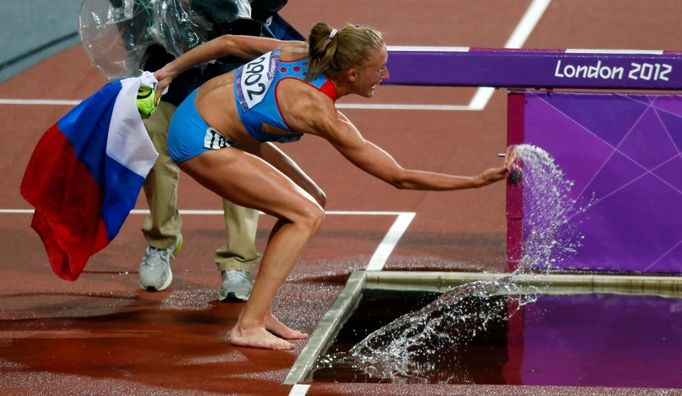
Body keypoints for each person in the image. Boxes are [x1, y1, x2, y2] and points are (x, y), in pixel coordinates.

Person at [152, 23, 515, 350]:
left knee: (312, 200)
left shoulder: (302, 51)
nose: (385, 75)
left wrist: (169, 72)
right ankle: (247, 326)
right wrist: (476, 181)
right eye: (379, 69)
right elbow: (397, 176)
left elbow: (228, 42)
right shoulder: (318, 111)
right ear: (353, 73)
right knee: (306, 214)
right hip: (201, 137)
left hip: (205, 113)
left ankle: (258, 309)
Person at [136, 1, 303, 302]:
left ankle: (237, 263)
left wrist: (234, 10)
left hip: (231, 69)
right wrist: (163, 24)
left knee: (238, 158)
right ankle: (162, 241)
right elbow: (129, 14)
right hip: (171, 64)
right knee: (154, 148)